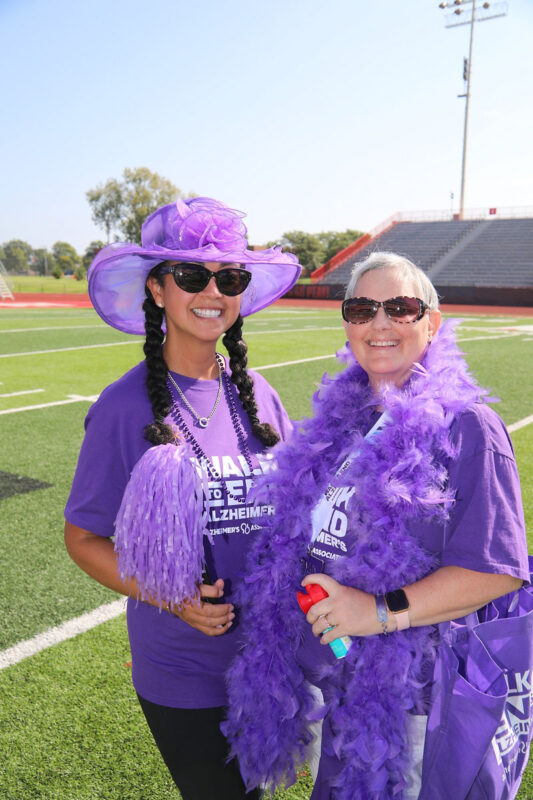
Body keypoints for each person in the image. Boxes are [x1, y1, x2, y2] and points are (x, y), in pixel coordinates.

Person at [224, 252, 529, 800]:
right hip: (343, 694)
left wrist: (377, 613)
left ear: (431, 322)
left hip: (416, 706)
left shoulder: (469, 427)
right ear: (348, 324)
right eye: (363, 308)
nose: (380, 323)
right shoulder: (343, 422)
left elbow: (496, 572)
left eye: (402, 307)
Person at [64, 196, 301, 800]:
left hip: (271, 661)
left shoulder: (262, 395)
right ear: (158, 290)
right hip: (184, 672)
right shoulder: (122, 409)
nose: (213, 290)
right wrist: (171, 598)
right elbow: (83, 539)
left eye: (230, 276)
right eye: (193, 275)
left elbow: (304, 506)